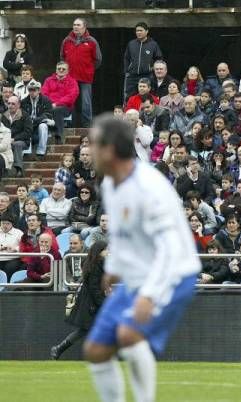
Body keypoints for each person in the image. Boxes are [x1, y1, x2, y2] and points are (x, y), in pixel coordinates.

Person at [83, 115, 200, 402]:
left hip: (173, 275)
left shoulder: (149, 187)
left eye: (94, 144)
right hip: (139, 278)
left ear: (110, 150)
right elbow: (124, 236)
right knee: (96, 350)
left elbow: (169, 248)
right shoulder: (110, 185)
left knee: (128, 335)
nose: (88, 150)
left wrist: (149, 294)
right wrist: (114, 268)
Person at [51, 240, 108, 360]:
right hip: (92, 303)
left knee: (86, 330)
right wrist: (103, 303)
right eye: (106, 250)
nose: (108, 252)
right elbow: (94, 288)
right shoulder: (97, 264)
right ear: (100, 251)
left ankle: (59, 348)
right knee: (89, 329)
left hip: (90, 301)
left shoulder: (93, 263)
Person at [60, 18, 102, 128]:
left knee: (86, 103)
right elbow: (62, 57)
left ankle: (87, 125)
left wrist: (89, 70)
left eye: (78, 25)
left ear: (84, 27)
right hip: (70, 78)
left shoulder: (91, 41)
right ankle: (68, 123)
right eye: (74, 25)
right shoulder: (66, 40)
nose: (75, 27)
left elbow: (98, 59)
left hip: (85, 77)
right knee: (69, 101)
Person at [41, 61, 80, 144]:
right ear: (56, 70)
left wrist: (56, 104)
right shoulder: (48, 80)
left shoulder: (72, 82)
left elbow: (71, 96)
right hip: (49, 105)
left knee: (57, 110)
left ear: (68, 71)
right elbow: (44, 93)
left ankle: (59, 135)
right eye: (59, 69)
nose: (61, 70)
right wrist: (49, 104)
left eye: (63, 69)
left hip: (65, 107)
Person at [123, 22, 163, 101]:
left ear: (147, 31)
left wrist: (152, 69)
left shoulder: (153, 44)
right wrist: (127, 70)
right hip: (132, 76)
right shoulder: (131, 44)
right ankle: (128, 112)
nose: (138, 32)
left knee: (147, 98)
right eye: (137, 31)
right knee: (129, 97)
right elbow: (126, 58)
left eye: (141, 30)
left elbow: (159, 59)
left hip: (147, 75)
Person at [21, 81, 53, 159]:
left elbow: (48, 114)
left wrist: (35, 121)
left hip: (40, 123)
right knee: (25, 125)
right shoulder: (24, 101)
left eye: (34, 90)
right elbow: (22, 115)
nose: (32, 92)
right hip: (29, 124)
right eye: (30, 90)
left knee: (43, 126)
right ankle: (26, 153)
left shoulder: (46, 100)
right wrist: (29, 122)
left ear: (39, 90)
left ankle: (41, 153)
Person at [2, 95, 32, 177]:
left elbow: (28, 132)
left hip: (22, 141)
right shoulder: (4, 116)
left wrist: (14, 139)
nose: (10, 106)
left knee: (17, 144)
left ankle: (19, 169)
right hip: (6, 141)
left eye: (13, 104)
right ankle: (3, 170)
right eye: (9, 103)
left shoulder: (25, 116)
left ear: (18, 105)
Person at [0, 212, 24, 282]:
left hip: (13, 258)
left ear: (12, 224)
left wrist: (15, 249)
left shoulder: (18, 233)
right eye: (3, 223)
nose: (5, 226)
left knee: (10, 268)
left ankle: (7, 287)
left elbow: (25, 246)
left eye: (7, 224)